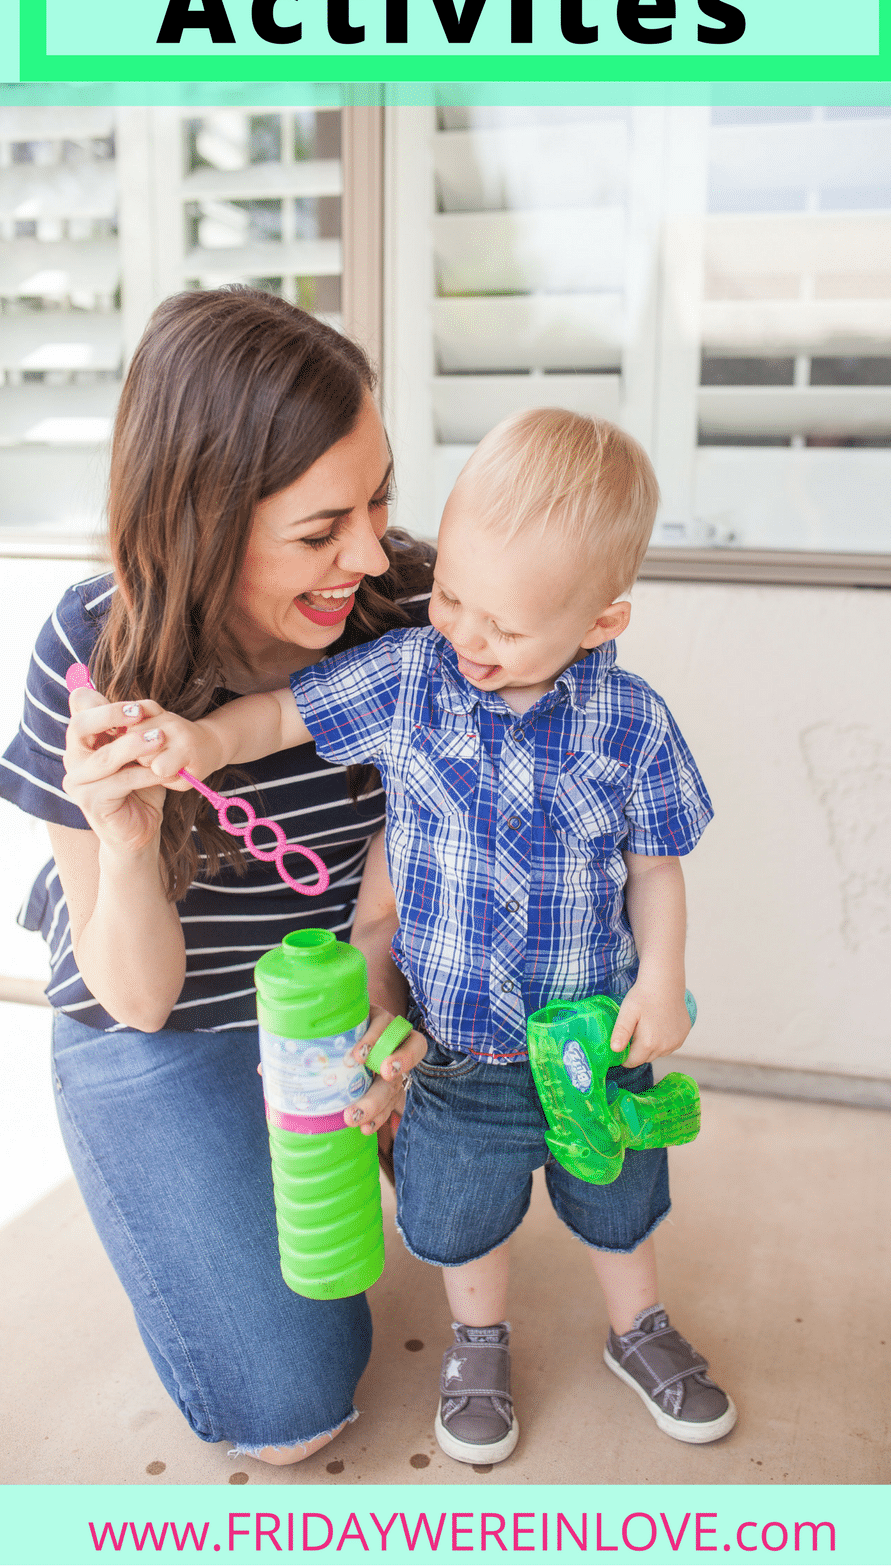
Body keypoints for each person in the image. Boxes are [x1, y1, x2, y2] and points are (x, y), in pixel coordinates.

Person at [114, 407, 738, 1466]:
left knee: (622, 1199)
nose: (466, 635)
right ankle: (478, 1342)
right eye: (451, 594)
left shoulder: (632, 721)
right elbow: (281, 715)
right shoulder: (412, 674)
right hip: (452, 1047)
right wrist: (201, 738)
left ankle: (639, 1325)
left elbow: (656, 864)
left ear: (600, 619)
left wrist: (665, 977)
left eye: (504, 623)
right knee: (464, 1217)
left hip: (593, 1040)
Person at [0, 287, 431, 1465]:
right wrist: (130, 845)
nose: (367, 548)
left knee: (480, 1181)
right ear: (201, 520)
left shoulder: (407, 604)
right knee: (290, 1410)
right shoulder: (87, 653)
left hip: (345, 987)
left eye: (381, 496)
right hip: (166, 1016)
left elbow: (422, 868)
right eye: (318, 527)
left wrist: (389, 1020)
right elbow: (131, 993)